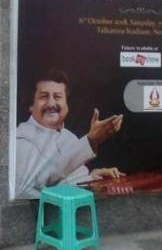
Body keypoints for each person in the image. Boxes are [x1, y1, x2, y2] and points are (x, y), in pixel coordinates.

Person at [14, 69, 124, 200]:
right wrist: (90, 141)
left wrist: (92, 178)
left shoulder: (68, 137)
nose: (51, 103)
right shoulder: (21, 139)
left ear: (66, 105)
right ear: (31, 106)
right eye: (44, 96)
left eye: (57, 97)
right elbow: (36, 185)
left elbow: (67, 180)